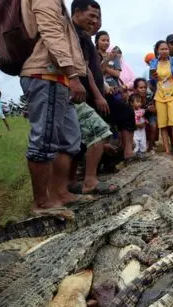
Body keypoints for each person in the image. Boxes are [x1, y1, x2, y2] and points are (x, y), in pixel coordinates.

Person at [20, 0, 88, 218]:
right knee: (45, 139)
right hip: (46, 74)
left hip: (59, 78)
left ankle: (60, 193)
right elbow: (51, 33)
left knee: (69, 139)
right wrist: (73, 75)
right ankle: (42, 202)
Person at [69, 0, 118, 196]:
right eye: (91, 16)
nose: (95, 21)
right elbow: (86, 69)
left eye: (98, 18)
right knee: (99, 131)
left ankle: (71, 182)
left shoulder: (82, 36)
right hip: (75, 94)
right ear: (77, 12)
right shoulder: (75, 35)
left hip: (82, 94)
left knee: (74, 140)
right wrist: (98, 95)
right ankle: (89, 180)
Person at [96, 31, 136, 160]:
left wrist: (105, 65)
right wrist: (106, 61)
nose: (106, 43)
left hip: (115, 93)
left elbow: (118, 74)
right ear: (96, 41)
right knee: (105, 124)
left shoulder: (115, 57)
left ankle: (127, 151)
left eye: (108, 40)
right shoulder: (94, 55)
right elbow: (97, 73)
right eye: (103, 40)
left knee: (127, 114)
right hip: (98, 93)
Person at [150, 40, 173, 158]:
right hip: (160, 95)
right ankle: (167, 150)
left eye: (166, 49)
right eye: (162, 49)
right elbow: (152, 81)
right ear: (157, 50)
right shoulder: (153, 63)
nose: (164, 51)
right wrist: (154, 77)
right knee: (163, 124)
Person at [133, 78, 157, 151]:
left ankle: (150, 147)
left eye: (145, 87)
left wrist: (153, 109)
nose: (143, 89)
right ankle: (138, 145)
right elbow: (132, 111)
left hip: (149, 115)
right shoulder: (133, 97)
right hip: (137, 116)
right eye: (141, 87)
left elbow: (153, 109)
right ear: (135, 89)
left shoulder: (149, 95)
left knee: (153, 126)